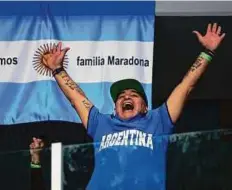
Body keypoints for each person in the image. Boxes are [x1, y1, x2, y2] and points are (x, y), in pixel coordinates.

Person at [42, 23, 225, 189]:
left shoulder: (158, 120)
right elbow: (76, 98)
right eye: (121, 96)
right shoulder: (101, 123)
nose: (126, 96)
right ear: (115, 108)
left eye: (134, 94)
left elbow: (185, 88)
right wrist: (57, 70)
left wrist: (207, 52)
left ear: (145, 107)